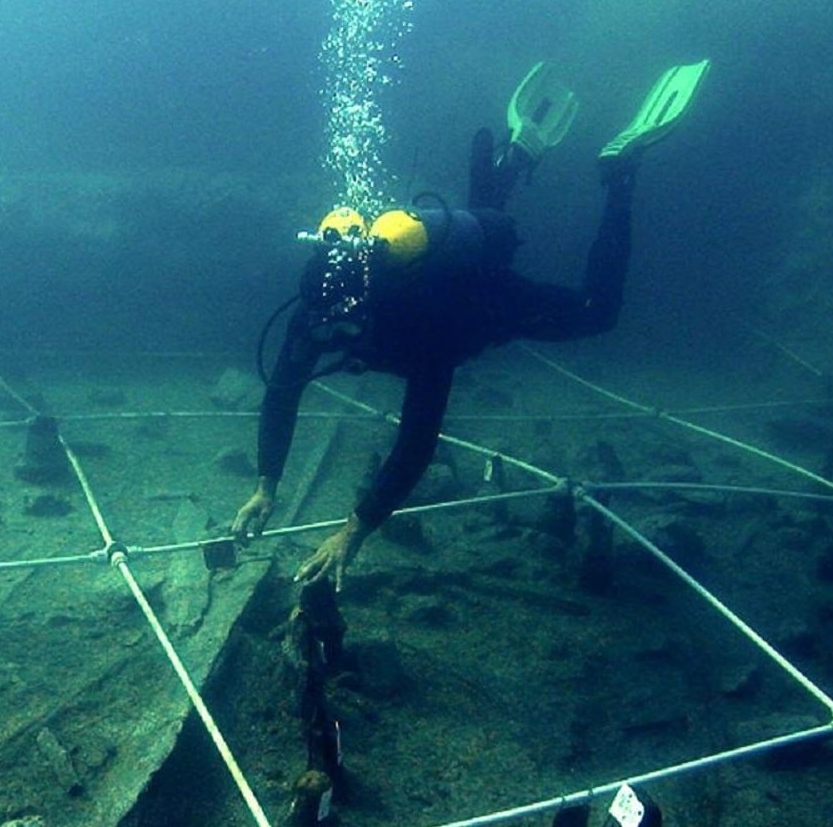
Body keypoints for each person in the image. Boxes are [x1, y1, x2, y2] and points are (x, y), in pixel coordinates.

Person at [232, 61, 710, 589]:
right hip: (450, 284)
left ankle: (619, 176)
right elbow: (282, 394)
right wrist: (265, 485)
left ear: (367, 301)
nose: (329, 334)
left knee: (598, 311)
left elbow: (417, 440)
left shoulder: (419, 326)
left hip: (482, 307)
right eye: (324, 323)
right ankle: (516, 156)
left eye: (341, 323)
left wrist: (354, 531)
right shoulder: (317, 304)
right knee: (487, 224)